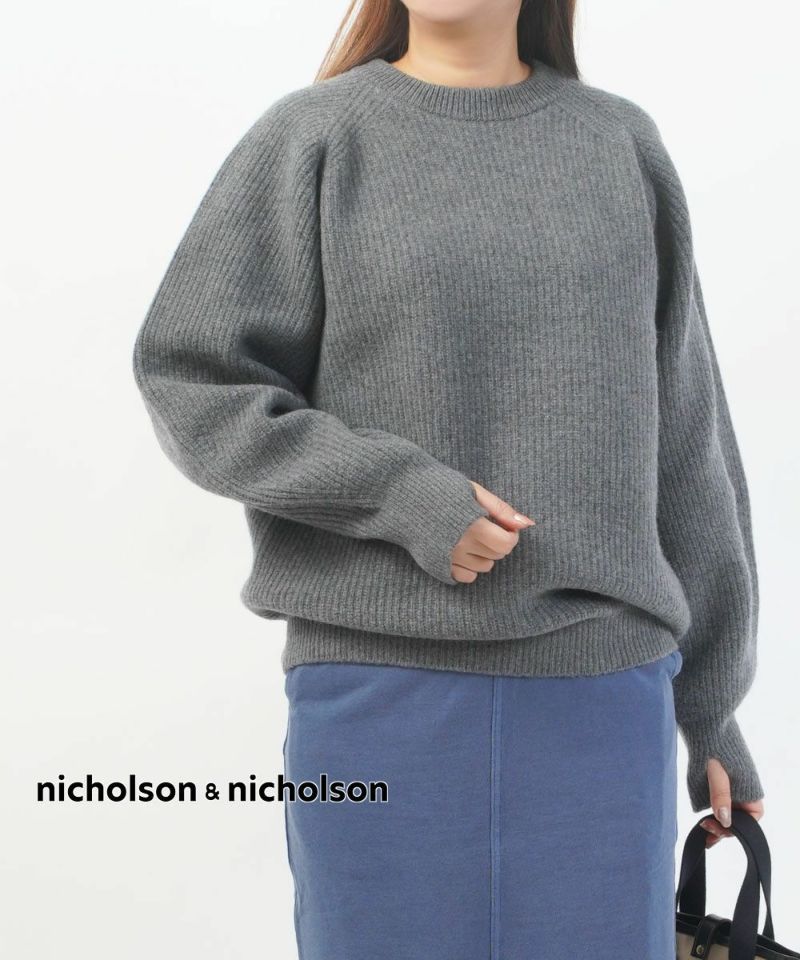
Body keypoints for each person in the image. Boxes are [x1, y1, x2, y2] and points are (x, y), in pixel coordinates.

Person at [131, 0, 766, 956]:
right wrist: (402, 496)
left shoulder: (618, 147)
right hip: (377, 700)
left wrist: (712, 710)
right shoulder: (315, 138)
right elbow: (192, 379)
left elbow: (687, 437)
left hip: (601, 705)